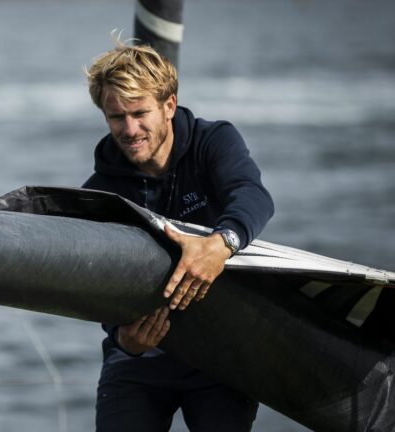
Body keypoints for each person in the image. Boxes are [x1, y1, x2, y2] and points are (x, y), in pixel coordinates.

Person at [83, 42, 274, 431]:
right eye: (116, 116)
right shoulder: (99, 191)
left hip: (222, 353)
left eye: (140, 113)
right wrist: (121, 337)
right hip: (140, 359)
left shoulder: (213, 143)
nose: (130, 129)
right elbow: (94, 283)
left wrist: (222, 245)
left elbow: (253, 196)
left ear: (169, 105)